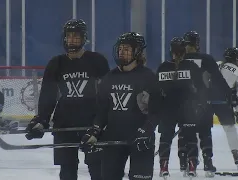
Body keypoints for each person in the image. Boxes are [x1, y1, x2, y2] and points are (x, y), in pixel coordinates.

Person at [24, 19, 110, 180]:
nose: (72, 40)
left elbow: (107, 95)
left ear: (84, 38)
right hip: (64, 124)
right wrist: (42, 119)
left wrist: (101, 124)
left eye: (76, 37)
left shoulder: (97, 61)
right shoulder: (56, 63)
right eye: (69, 36)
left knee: (97, 169)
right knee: (67, 171)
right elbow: (48, 95)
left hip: (91, 123)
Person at [80, 32, 162, 180]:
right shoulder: (109, 78)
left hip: (140, 140)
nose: (122, 52)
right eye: (120, 48)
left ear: (137, 51)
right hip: (113, 139)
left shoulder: (148, 77)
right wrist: (95, 132)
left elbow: (157, 111)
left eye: (127, 49)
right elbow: (102, 111)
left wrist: (146, 130)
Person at [181, 31, 238, 175]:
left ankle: (187, 164)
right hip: (204, 101)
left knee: (186, 134)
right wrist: (230, 94)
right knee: (205, 133)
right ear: (197, 44)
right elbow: (218, 79)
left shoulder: (180, 60)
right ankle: (207, 163)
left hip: (185, 103)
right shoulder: (206, 59)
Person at [157, 37, 207, 177]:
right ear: (184, 51)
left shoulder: (163, 67)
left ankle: (163, 166)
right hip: (187, 109)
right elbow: (202, 89)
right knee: (190, 138)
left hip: (167, 110)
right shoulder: (192, 67)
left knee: (165, 138)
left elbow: (156, 91)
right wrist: (201, 105)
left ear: (170, 51)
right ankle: (191, 166)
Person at [217, 47, 238, 170]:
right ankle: (236, 156)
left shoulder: (216, 64)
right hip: (224, 103)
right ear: (237, 59)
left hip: (206, 101)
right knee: (230, 129)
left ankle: (193, 158)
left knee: (200, 131)